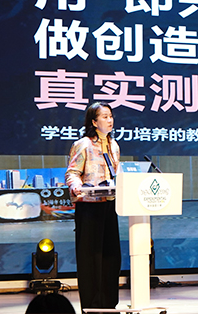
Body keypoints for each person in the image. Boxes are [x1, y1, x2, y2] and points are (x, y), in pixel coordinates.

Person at [65, 102, 121, 312]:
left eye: (110, 116)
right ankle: (92, 306)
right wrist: (76, 186)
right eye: (105, 116)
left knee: (111, 257)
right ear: (94, 122)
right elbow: (72, 173)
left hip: (110, 205)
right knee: (90, 258)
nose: (110, 120)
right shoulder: (83, 144)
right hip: (89, 207)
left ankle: (109, 304)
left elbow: (117, 174)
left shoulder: (114, 145)